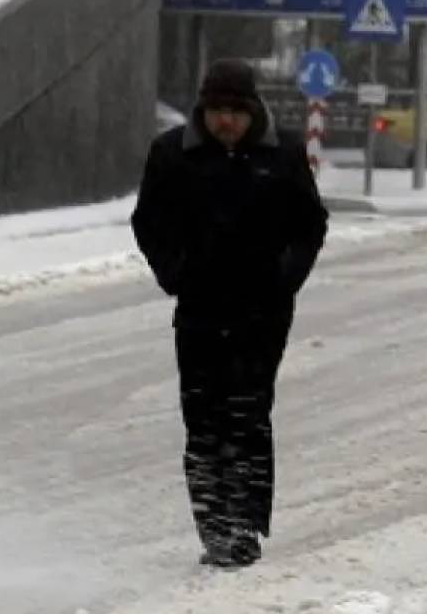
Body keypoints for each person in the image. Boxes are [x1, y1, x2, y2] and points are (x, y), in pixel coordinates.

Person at [132, 59, 329, 570]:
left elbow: (311, 224)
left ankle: (243, 526)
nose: (226, 122)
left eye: (235, 112)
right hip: (199, 308)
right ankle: (213, 524)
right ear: (204, 109)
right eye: (217, 111)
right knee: (203, 420)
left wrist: (285, 277)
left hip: (262, 314)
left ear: (252, 111)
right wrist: (174, 272)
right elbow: (147, 221)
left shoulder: (282, 154)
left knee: (247, 416)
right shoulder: (172, 155)